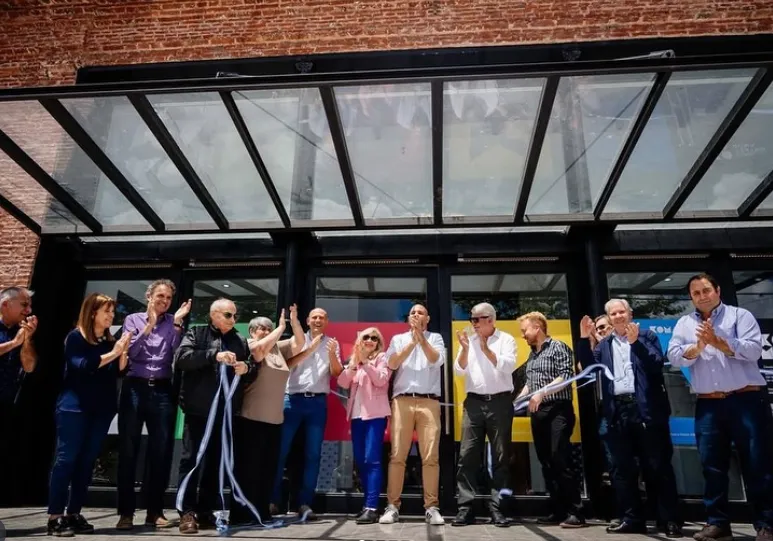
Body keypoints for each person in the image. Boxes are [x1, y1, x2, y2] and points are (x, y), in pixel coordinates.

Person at [667, 273, 773, 541]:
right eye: (696, 293)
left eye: (706, 290)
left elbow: (753, 350)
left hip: (746, 400)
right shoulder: (684, 323)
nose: (702, 296)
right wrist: (698, 347)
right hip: (709, 404)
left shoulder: (740, 316)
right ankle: (718, 523)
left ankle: (766, 523)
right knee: (712, 466)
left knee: (758, 464)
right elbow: (674, 355)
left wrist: (720, 343)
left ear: (717, 290)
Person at [577, 299, 681, 537]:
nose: (618, 316)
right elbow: (590, 368)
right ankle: (631, 518)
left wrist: (636, 344)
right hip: (617, 412)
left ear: (630, 313)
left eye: (621, 311)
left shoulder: (647, 336)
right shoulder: (605, 345)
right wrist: (584, 339)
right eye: (613, 313)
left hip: (646, 411)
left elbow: (656, 365)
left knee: (657, 466)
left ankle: (669, 520)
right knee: (621, 470)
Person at [46, 293, 131, 537]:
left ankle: (73, 512)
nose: (111, 317)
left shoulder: (109, 340)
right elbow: (83, 365)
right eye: (107, 312)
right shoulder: (75, 338)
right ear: (93, 312)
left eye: (113, 313)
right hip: (74, 408)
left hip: (101, 409)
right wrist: (115, 352)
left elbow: (118, 371)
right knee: (66, 460)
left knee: (87, 462)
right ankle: (55, 516)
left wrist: (122, 352)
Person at [175, 298, 258, 535]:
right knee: (192, 459)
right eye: (228, 315)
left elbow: (252, 368)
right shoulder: (197, 333)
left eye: (235, 315)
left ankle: (205, 510)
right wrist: (215, 355)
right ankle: (186, 511)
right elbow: (182, 359)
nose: (234, 320)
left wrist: (246, 369)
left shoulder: (239, 339)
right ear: (214, 315)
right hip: (198, 410)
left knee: (214, 463)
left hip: (225, 412)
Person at [116, 279, 191, 530]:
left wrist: (178, 323)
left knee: (160, 451)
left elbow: (176, 354)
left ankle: (154, 511)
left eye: (168, 298)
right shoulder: (133, 320)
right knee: (128, 448)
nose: (164, 301)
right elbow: (132, 353)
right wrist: (148, 326)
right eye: (160, 296)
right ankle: (126, 512)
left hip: (161, 388)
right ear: (149, 296)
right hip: (135, 386)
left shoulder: (173, 322)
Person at [231, 306, 311, 526]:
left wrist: (294, 321)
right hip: (251, 418)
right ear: (253, 331)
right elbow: (258, 352)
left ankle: (261, 511)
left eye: (269, 328)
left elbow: (299, 343)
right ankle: (241, 513)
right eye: (262, 329)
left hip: (275, 420)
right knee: (248, 468)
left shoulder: (278, 350)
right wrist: (280, 327)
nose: (266, 332)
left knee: (267, 468)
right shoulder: (248, 345)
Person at [271, 307, 343, 520]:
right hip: (292, 400)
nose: (318, 320)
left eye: (322, 317)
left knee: (313, 455)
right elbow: (287, 365)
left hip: (317, 404)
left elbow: (337, 373)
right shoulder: (297, 340)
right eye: (314, 317)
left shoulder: (333, 343)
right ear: (308, 321)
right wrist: (308, 349)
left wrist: (331, 355)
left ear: (327, 321)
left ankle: (304, 503)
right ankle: (273, 501)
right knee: (280, 452)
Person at [516, 312, 585, 528]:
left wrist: (542, 393)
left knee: (560, 458)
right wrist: (519, 398)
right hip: (538, 413)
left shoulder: (559, 347)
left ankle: (576, 512)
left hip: (558, 411)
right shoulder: (532, 355)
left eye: (525, 330)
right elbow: (530, 383)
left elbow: (566, 376)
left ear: (537, 327)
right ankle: (557, 510)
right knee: (546, 462)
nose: (523, 335)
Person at [379, 304, 446, 526]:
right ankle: (392, 506)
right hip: (403, 400)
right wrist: (412, 342)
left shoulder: (435, 337)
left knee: (430, 456)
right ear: (408, 318)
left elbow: (438, 360)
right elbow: (391, 363)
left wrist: (422, 339)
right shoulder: (398, 339)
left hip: (429, 401)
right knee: (398, 455)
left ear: (428, 318)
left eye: (420, 312)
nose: (416, 315)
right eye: (412, 313)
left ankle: (432, 507)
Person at [452, 302, 516, 527]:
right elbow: (458, 370)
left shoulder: (506, 339)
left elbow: (507, 366)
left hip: (500, 401)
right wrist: (467, 349)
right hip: (474, 403)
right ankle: (465, 508)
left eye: (476, 320)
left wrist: (485, 348)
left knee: (501, 456)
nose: (473, 324)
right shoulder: (468, 341)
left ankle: (497, 508)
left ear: (490, 319)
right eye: (472, 320)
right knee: (467, 455)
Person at [338, 327, 391, 524]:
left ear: (378, 342)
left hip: (375, 416)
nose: (370, 340)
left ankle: (372, 506)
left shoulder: (381, 358)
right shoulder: (354, 360)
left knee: (372, 459)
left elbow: (381, 380)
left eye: (374, 338)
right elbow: (343, 382)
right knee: (361, 461)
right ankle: (367, 506)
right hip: (357, 416)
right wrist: (354, 364)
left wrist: (366, 362)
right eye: (366, 337)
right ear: (360, 341)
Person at [0, 286, 37, 506]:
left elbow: (30, 366)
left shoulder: (20, 331)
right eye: (24, 304)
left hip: (5, 402)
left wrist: (26, 340)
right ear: (6, 304)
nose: (28, 310)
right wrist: (14, 343)